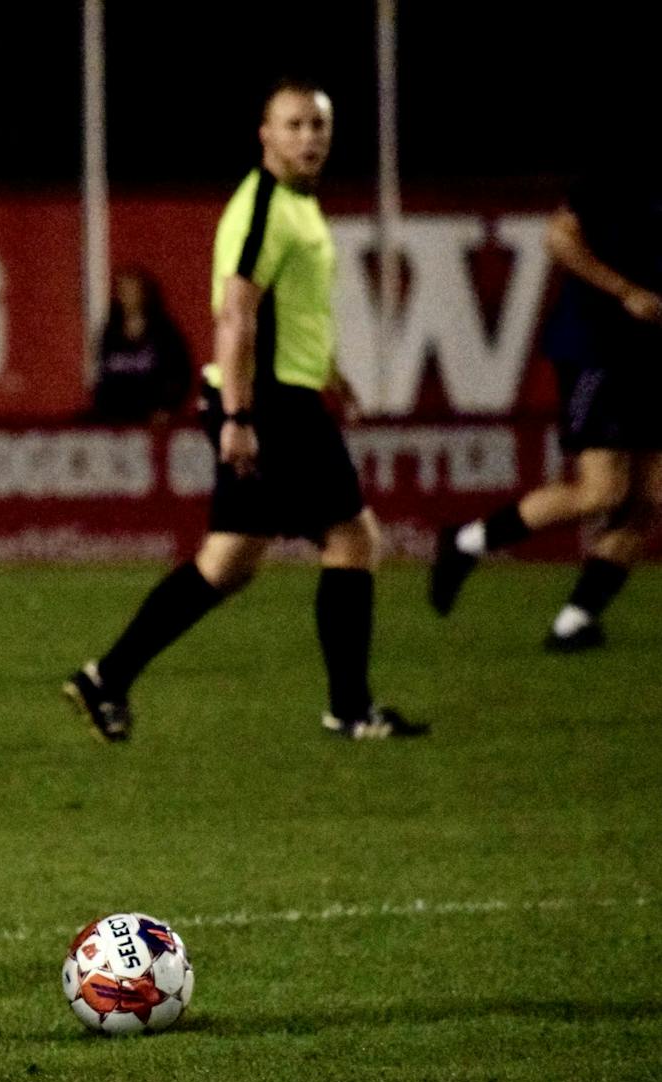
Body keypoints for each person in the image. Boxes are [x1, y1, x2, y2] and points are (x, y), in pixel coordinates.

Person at [64, 78, 428, 743]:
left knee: (228, 560)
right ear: (265, 134)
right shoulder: (264, 207)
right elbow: (236, 314)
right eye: (294, 124)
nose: (308, 137)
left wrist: (330, 373)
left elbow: (292, 310)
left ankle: (106, 677)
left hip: (278, 393)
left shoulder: (296, 204)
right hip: (270, 403)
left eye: (318, 125)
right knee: (353, 539)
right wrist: (238, 416)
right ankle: (351, 710)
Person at [429, 173, 662, 649]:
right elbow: (558, 237)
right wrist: (624, 291)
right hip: (600, 348)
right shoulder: (622, 173)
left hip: (652, 354)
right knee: (603, 492)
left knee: (650, 498)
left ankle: (574, 622)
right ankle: (465, 542)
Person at [89, 266, 193, 425]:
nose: (126, 296)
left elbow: (181, 374)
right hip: (115, 421)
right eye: (122, 290)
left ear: (144, 293)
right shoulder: (110, 333)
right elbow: (101, 372)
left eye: (131, 290)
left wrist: (168, 407)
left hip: (153, 421)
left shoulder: (163, 331)